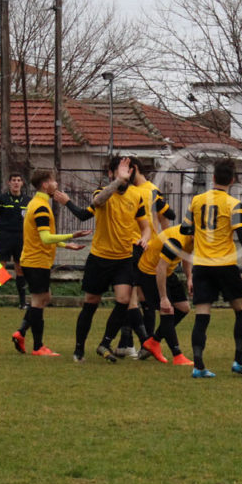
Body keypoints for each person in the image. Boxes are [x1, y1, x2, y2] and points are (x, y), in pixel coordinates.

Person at [52, 155, 150, 363]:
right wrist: (118, 181)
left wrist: (145, 238)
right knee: (91, 302)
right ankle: (79, 349)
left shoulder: (137, 195)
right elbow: (96, 202)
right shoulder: (103, 193)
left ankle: (105, 343)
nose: (127, 174)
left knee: (124, 300)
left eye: (130, 171)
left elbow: (145, 225)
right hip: (100, 258)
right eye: (123, 170)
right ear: (110, 173)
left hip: (124, 258)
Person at [183, 158, 242, 378]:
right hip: (225, 265)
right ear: (232, 180)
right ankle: (239, 361)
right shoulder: (233, 203)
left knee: (202, 314)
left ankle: (198, 366)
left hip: (201, 265)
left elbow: (185, 230)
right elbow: (241, 234)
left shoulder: (196, 201)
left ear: (212, 178)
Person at [11, 170, 90, 356]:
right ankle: (38, 347)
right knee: (39, 301)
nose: (56, 183)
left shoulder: (37, 203)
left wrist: (66, 245)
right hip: (36, 261)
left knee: (45, 297)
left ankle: (21, 332)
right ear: (45, 185)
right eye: (53, 181)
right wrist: (72, 235)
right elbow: (46, 238)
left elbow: (41, 236)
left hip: (35, 260)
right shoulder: (41, 207)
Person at [115, 158, 177, 359]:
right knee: (137, 297)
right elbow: (168, 215)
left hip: (139, 247)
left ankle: (143, 342)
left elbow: (167, 216)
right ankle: (129, 343)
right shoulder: (143, 190)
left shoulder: (146, 191)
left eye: (125, 169)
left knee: (135, 297)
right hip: (135, 246)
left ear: (133, 169)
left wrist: (168, 240)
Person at [135, 223, 195, 366]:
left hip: (167, 271)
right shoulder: (175, 242)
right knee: (167, 310)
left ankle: (154, 341)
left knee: (184, 308)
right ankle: (177, 355)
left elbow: (186, 256)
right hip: (150, 272)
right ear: (193, 234)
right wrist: (163, 298)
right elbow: (160, 268)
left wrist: (189, 278)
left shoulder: (191, 236)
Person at [0, 173, 31, 309]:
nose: (16, 183)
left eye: (19, 180)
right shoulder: (1, 199)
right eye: (13, 180)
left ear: (22, 183)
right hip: (4, 237)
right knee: (0, 268)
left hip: (21, 238)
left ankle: (22, 303)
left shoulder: (28, 201)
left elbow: (32, 222)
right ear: (9, 183)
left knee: (20, 269)